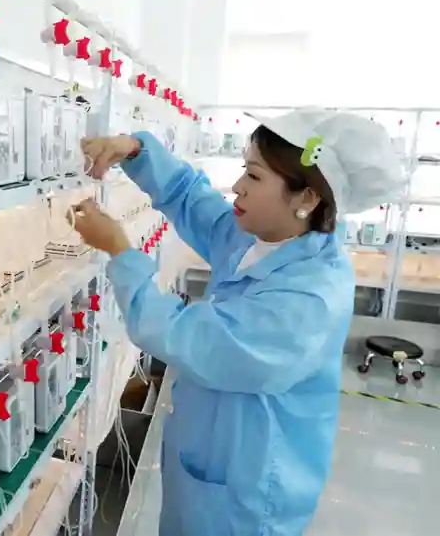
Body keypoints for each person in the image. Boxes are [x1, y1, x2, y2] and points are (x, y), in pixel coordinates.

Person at [70, 109, 408, 536]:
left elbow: (183, 336)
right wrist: (136, 151)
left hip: (247, 492)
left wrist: (120, 250)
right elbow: (192, 200)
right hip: (211, 455)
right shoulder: (265, 239)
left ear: (306, 198)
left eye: (254, 176)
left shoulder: (309, 298)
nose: (237, 187)